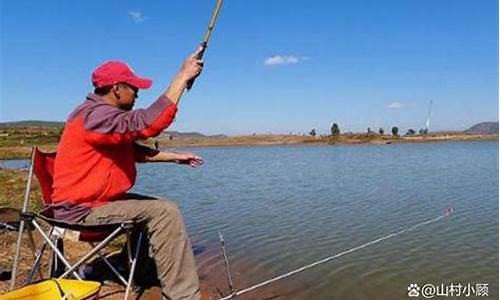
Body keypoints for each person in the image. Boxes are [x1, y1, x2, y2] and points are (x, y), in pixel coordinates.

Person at [50, 48, 204, 300]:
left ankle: (128, 266)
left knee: (151, 205)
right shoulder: (95, 115)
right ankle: (183, 296)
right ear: (117, 88)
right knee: (165, 212)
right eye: (133, 87)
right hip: (81, 211)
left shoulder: (99, 116)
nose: (138, 92)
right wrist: (182, 76)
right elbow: (147, 123)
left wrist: (176, 157)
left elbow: (132, 151)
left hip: (91, 203)